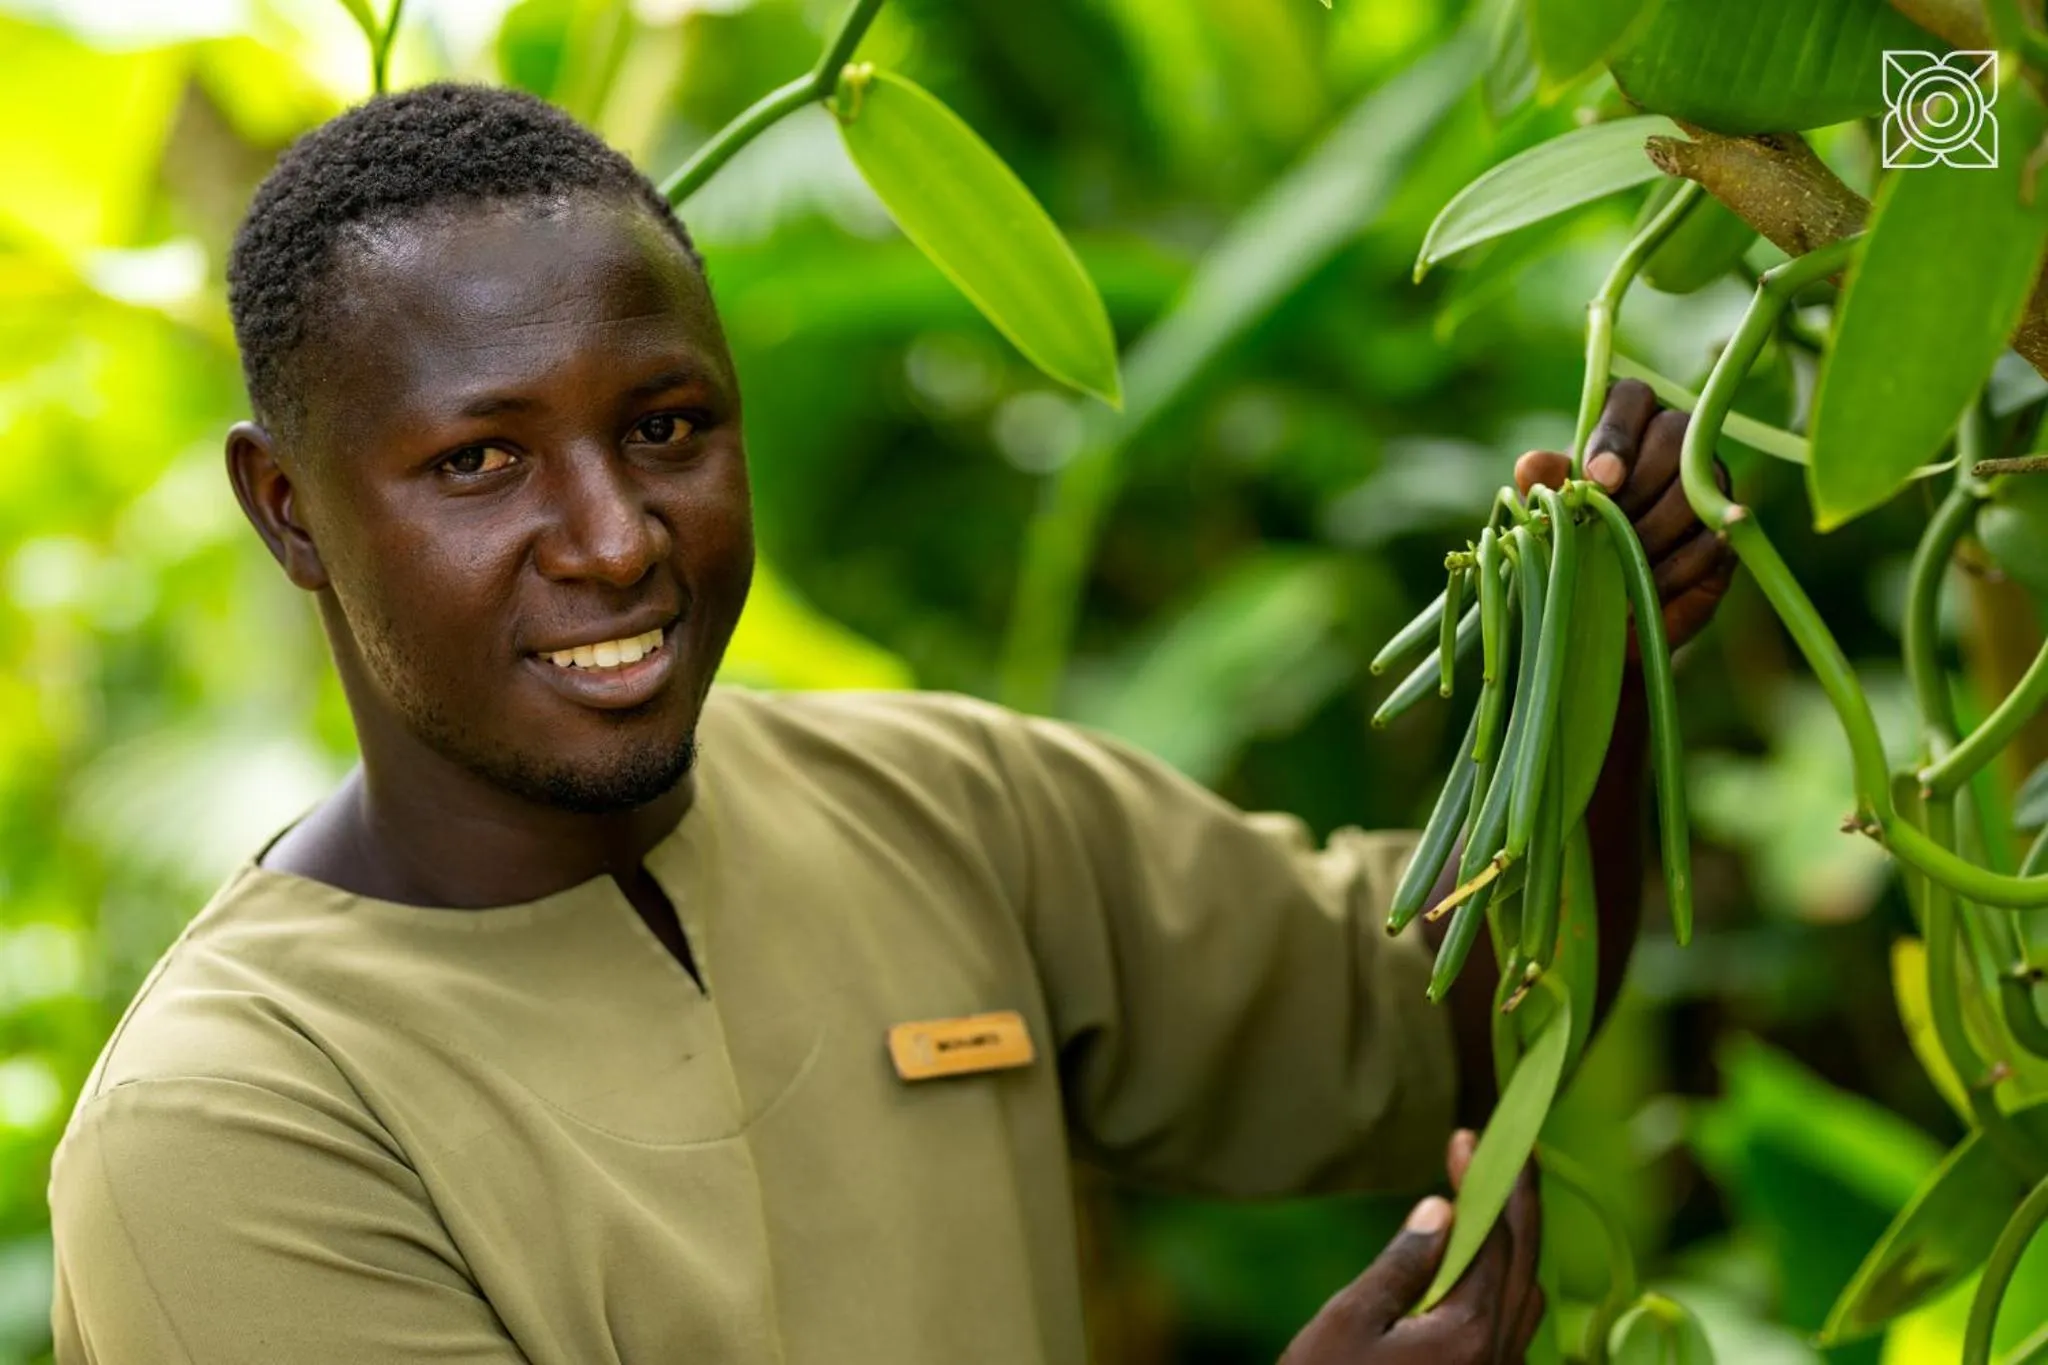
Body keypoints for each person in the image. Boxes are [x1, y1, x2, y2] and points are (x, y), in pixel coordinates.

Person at [44, 84, 1732, 1364]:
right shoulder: (231, 1130)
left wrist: (1586, 662)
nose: (616, 539)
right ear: (288, 511)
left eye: (666, 426)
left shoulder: (938, 802)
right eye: (481, 461)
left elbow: (1432, 1012)